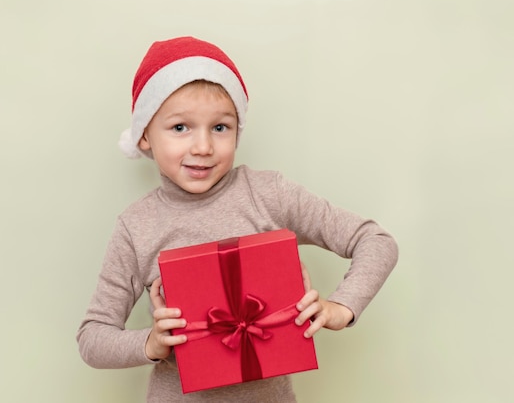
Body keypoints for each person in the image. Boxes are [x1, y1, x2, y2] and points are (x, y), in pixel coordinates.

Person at [77, 36, 398, 402]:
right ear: (144, 136)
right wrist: (150, 343)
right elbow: (92, 337)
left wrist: (342, 307)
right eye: (180, 127)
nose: (202, 147)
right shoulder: (137, 226)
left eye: (220, 127)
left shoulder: (270, 195)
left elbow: (376, 241)